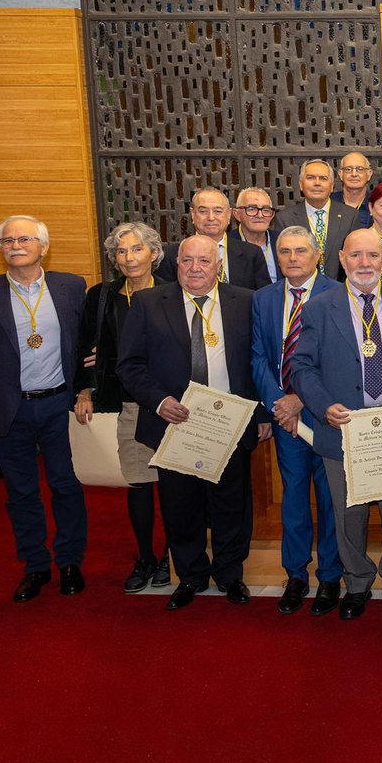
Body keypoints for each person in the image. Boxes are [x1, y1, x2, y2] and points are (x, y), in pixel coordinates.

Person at [117, 235, 262, 611]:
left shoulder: (244, 301)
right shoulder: (149, 303)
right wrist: (160, 401)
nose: (195, 268)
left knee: (232, 506)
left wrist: (260, 414)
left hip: (228, 424)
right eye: (187, 261)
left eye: (204, 261)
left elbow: (259, 363)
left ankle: (230, 575)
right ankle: (191, 576)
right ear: (175, 263)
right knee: (181, 506)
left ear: (218, 266)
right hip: (173, 424)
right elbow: (129, 365)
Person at [289, 228, 382, 620]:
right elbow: (301, 366)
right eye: (356, 256)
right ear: (342, 260)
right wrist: (323, 406)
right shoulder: (319, 306)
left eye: (372, 255)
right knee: (349, 511)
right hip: (344, 425)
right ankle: (358, 581)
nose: (364, 263)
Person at [0, 215, 89, 602]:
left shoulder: (71, 287)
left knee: (66, 486)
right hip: (8, 410)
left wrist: (87, 391)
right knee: (21, 493)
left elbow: (85, 349)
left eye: (24, 239)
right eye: (7, 240)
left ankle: (69, 562)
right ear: (0, 249)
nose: (15, 245)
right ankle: (35, 566)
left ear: (44, 247)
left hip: (59, 406)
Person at [249, 226, 343, 617]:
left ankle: (331, 575)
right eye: (284, 251)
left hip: (323, 414)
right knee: (293, 499)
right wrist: (278, 404)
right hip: (285, 420)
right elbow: (257, 355)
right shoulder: (264, 298)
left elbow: (338, 360)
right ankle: (296, 575)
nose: (292, 258)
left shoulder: (338, 295)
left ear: (317, 254)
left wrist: (299, 399)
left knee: (331, 498)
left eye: (300, 251)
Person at [75, 221, 170, 593]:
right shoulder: (102, 296)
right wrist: (85, 391)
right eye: (121, 251)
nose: (129, 257)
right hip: (129, 404)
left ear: (154, 253)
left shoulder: (172, 292)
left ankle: (172, 556)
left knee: (176, 488)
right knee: (140, 484)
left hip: (171, 406)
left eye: (136, 249)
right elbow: (85, 347)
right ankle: (146, 556)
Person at [156, 188, 271, 289]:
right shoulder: (171, 256)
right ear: (193, 214)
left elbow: (264, 297)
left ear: (228, 214)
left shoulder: (251, 254)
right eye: (203, 211)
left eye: (218, 211)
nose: (211, 217)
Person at [277, 158, 358, 280]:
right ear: (300, 184)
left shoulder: (350, 216)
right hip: (302, 291)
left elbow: (355, 259)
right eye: (310, 178)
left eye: (323, 178)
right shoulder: (284, 219)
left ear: (331, 186)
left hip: (341, 292)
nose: (317, 183)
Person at [232, 187, 281, 284]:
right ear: (237, 214)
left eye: (266, 209)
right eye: (251, 209)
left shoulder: (282, 241)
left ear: (272, 215)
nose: (260, 215)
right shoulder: (227, 244)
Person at [331, 150, 376, 228]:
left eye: (360, 169)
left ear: (369, 174)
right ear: (340, 174)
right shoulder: (329, 202)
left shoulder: (377, 202)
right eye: (348, 169)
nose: (354, 174)